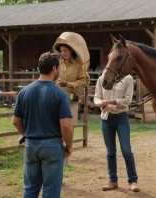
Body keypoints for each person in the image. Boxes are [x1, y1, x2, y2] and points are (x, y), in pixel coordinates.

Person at [12, 52, 73, 198]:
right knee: (51, 191)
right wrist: (69, 146)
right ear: (54, 68)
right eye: (58, 68)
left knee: (30, 189)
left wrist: (27, 134)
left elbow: (15, 121)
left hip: (31, 145)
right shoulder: (60, 95)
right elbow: (66, 126)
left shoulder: (24, 92)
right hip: (52, 145)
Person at [94, 74, 140, 192]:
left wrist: (112, 101)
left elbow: (128, 100)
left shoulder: (128, 79)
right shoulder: (102, 78)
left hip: (122, 118)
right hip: (106, 118)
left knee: (126, 150)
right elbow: (96, 97)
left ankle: (133, 181)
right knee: (110, 152)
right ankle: (112, 181)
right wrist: (100, 102)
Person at [53, 32, 90, 165]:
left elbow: (83, 81)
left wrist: (70, 84)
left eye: (66, 50)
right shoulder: (56, 63)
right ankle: (56, 154)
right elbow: (51, 77)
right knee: (56, 126)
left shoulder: (79, 65)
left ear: (71, 51)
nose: (63, 53)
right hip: (56, 98)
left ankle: (66, 158)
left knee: (70, 126)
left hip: (71, 99)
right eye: (61, 50)